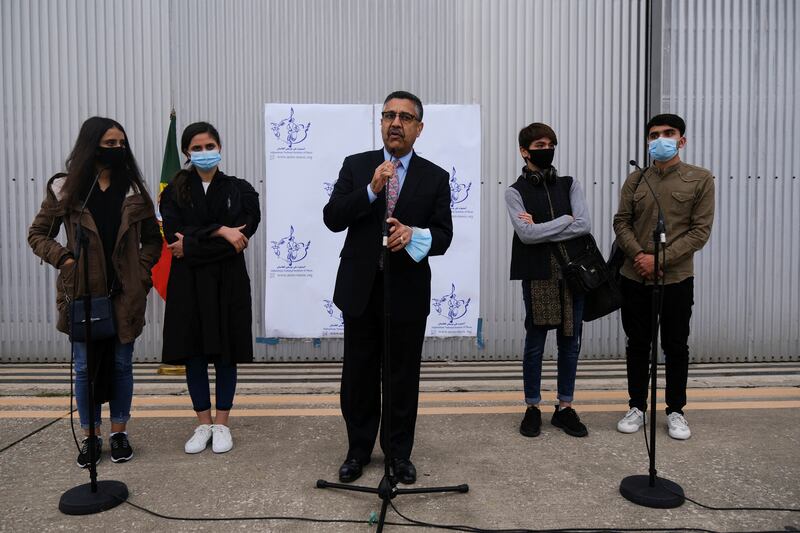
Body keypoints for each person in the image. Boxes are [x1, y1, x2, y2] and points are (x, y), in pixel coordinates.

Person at [323, 91, 453, 484]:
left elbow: (444, 236)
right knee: (359, 374)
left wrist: (414, 235)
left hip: (408, 292)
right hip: (361, 290)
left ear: (419, 128)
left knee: (401, 375)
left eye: (405, 117)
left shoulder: (435, 176)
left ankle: (398, 454)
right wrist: (370, 191)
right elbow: (332, 218)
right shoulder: (358, 165)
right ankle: (357, 450)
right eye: (389, 115)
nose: (396, 123)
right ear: (381, 123)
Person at [28, 116, 162, 467]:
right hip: (83, 293)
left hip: (124, 293)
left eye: (122, 143)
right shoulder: (67, 189)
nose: (118, 149)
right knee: (85, 368)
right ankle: (90, 436)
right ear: (92, 146)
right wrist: (65, 259)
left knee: (121, 364)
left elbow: (153, 240)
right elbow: (38, 234)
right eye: (110, 144)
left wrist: (141, 273)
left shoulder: (134, 190)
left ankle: (119, 432)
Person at [159, 122, 260, 454]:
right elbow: (174, 236)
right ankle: (202, 422)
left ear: (220, 147)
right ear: (187, 152)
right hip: (188, 285)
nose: (204, 153)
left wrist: (195, 244)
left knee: (226, 354)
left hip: (227, 282)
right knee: (194, 354)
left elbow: (242, 236)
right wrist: (221, 231)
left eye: (210, 146)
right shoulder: (172, 192)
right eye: (197, 148)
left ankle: (222, 423)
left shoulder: (240, 189)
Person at [613, 113, 715, 440]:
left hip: (676, 280)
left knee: (675, 345)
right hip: (635, 276)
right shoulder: (636, 180)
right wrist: (640, 257)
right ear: (647, 142)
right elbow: (621, 222)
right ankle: (637, 406)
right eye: (654, 135)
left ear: (681, 140)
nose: (661, 139)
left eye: (668, 133)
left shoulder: (700, 179)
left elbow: (700, 232)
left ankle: (675, 410)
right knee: (638, 345)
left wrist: (660, 259)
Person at [505, 122, 593, 439]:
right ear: (524, 151)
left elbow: (583, 225)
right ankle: (532, 407)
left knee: (570, 343)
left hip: (572, 273)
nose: (546, 149)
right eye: (539, 145)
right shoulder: (515, 192)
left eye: (550, 143)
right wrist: (564, 220)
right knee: (535, 344)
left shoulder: (570, 184)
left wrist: (544, 225)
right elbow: (526, 236)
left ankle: (565, 408)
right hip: (538, 273)